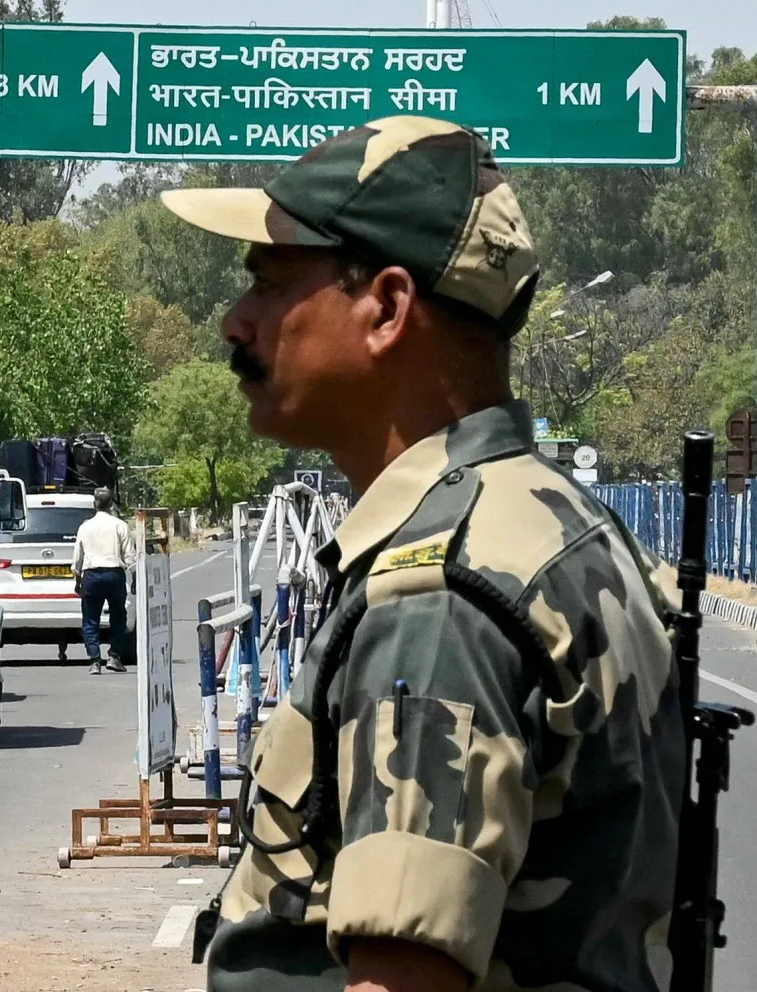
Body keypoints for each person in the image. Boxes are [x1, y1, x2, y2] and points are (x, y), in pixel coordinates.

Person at [160, 115, 684, 992]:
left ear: (388, 309)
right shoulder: (553, 521)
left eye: (270, 283)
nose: (234, 322)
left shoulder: (438, 599)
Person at [71, 486, 134, 674]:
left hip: (91, 575)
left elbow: (77, 557)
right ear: (111, 503)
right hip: (114, 574)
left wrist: (77, 580)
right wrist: (135, 578)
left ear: (95, 504)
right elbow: (130, 556)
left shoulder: (85, 526)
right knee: (118, 617)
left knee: (90, 619)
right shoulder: (120, 525)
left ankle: (94, 660)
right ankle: (114, 656)